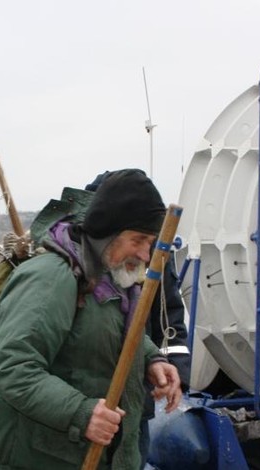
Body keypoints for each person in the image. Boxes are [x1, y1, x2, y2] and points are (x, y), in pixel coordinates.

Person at [0, 169, 182, 470]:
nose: (145, 253)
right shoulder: (50, 277)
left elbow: (108, 329)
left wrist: (153, 359)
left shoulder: (106, 273)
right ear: (109, 230)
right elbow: (13, 367)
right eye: (138, 239)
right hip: (41, 459)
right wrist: (82, 413)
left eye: (151, 241)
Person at [84, 171, 191, 468]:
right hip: (84, 410)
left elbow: (170, 318)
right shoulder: (75, 266)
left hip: (135, 404)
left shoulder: (154, 258)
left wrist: (171, 370)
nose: (144, 251)